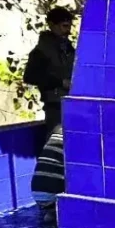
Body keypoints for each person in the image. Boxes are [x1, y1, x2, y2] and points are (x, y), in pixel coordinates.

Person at [24, 7, 76, 141]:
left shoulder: (68, 48)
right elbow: (30, 76)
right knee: (56, 141)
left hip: (70, 101)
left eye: (69, 26)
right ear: (52, 25)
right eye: (64, 26)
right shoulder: (41, 51)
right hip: (55, 104)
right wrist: (60, 82)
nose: (68, 31)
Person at [31, 125, 64, 224]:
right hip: (52, 192)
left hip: (36, 191)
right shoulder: (71, 139)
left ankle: (50, 213)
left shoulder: (56, 133)